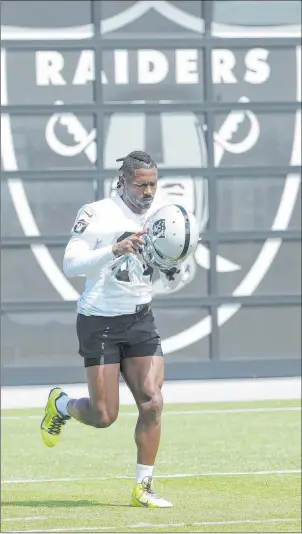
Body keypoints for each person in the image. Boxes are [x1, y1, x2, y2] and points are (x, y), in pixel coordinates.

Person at [40, 150, 186, 508]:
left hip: (139, 319)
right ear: (124, 181)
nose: (149, 192)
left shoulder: (164, 213)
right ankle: (61, 404)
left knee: (152, 402)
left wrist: (173, 264)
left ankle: (144, 486)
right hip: (99, 321)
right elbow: (71, 264)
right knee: (104, 416)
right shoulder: (97, 213)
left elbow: (174, 269)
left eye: (153, 184)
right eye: (141, 185)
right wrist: (113, 249)